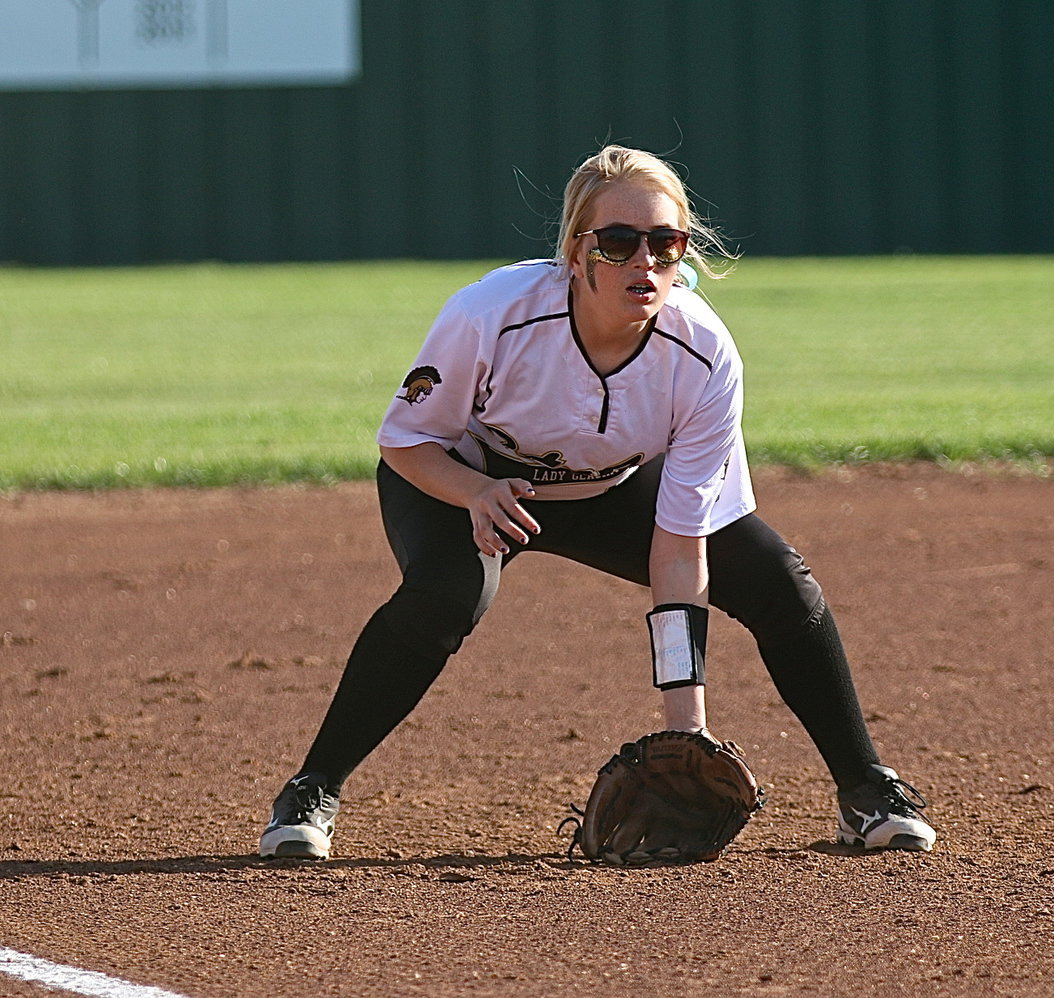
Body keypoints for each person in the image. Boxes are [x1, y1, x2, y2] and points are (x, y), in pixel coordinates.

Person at [258, 145, 936, 860]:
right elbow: (405, 441)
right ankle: (312, 788)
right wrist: (474, 491)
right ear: (575, 255)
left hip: (610, 489)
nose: (643, 262)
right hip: (467, 480)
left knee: (774, 576)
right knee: (445, 593)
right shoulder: (492, 314)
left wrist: (685, 732)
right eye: (617, 242)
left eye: (665, 243)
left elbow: (679, 549)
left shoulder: (703, 355)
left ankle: (864, 788)